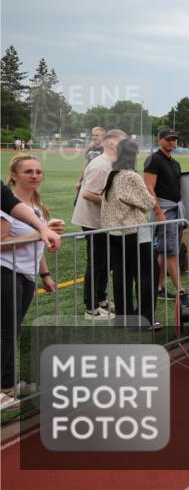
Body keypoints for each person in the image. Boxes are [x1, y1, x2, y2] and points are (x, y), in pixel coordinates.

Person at [1, 155, 58, 409]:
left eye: (38, 171)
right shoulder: (6, 207)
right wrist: (39, 232)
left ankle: (8, 384)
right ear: (13, 175)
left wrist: (44, 274)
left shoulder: (36, 206)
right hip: (6, 271)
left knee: (12, 331)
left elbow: (38, 245)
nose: (34, 175)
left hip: (27, 274)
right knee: (5, 332)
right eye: (28, 171)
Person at [101, 139, 159, 330]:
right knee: (147, 275)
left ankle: (124, 318)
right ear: (134, 154)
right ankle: (144, 319)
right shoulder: (130, 176)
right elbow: (148, 203)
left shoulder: (113, 174)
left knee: (121, 276)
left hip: (114, 231)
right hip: (134, 231)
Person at [71, 128, 126, 319]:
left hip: (103, 220)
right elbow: (88, 194)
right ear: (111, 143)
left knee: (106, 261)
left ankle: (101, 299)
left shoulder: (110, 162)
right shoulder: (101, 165)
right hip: (93, 221)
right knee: (96, 262)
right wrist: (116, 204)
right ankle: (91, 308)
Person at [143, 129, 186, 301]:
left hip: (176, 210)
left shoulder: (175, 163)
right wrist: (159, 212)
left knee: (165, 251)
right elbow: (149, 188)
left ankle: (158, 288)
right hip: (165, 211)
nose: (172, 142)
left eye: (174, 139)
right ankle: (181, 291)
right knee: (171, 251)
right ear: (159, 141)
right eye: (168, 139)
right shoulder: (154, 159)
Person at [1, 183, 61, 251]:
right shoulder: (5, 205)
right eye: (27, 173)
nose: (34, 177)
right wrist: (40, 233)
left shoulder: (37, 203)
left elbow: (37, 250)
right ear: (14, 176)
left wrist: (47, 230)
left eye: (39, 174)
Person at [74, 127, 105, 203]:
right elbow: (86, 165)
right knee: (82, 202)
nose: (94, 137)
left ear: (103, 136)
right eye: (93, 135)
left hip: (99, 180)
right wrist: (79, 181)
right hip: (87, 179)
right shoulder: (90, 149)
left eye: (97, 135)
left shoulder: (106, 150)